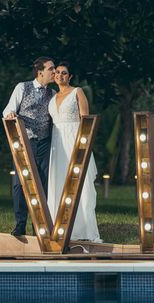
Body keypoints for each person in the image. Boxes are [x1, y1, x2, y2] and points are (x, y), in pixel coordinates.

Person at [47, 62, 101, 242]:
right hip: (57, 142)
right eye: (57, 73)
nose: (60, 76)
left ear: (69, 77)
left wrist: (82, 144)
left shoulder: (77, 92)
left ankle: (83, 230)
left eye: (64, 73)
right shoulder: (51, 97)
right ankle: (59, 226)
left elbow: (85, 120)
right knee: (58, 182)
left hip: (74, 140)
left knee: (80, 184)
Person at [3, 56, 56, 236]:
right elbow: (8, 109)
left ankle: (38, 226)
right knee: (20, 183)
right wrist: (10, 114)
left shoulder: (53, 94)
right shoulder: (22, 87)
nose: (54, 72)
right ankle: (20, 224)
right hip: (25, 143)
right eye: (51, 69)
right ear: (40, 72)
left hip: (45, 143)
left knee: (43, 184)